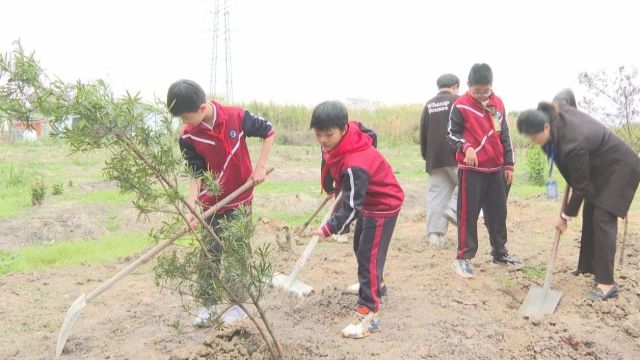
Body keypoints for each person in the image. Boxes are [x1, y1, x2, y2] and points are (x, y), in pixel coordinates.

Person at [166, 79, 275, 325]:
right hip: (210, 205)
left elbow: (268, 131)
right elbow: (196, 173)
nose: (183, 122)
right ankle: (208, 306)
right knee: (208, 255)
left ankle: (238, 307)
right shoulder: (188, 137)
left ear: (202, 108)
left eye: (185, 117)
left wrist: (259, 167)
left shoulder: (237, 117)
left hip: (240, 199)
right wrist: (191, 208)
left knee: (237, 253)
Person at [516, 89, 640, 301]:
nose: (532, 140)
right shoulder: (556, 108)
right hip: (597, 169)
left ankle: (607, 284)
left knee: (603, 217)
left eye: (534, 136)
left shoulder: (573, 144)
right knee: (590, 213)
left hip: (619, 168)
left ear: (546, 126)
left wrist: (565, 217)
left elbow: (580, 188)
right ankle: (587, 266)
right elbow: (566, 92)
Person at [310, 101, 404, 339]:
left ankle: (368, 314)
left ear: (343, 129)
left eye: (328, 135)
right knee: (359, 246)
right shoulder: (349, 133)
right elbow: (369, 133)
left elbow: (351, 207)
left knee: (368, 258)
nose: (322, 140)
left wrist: (329, 228)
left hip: (382, 204)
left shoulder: (355, 165)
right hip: (368, 199)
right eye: (318, 134)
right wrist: (335, 186)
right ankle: (377, 285)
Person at [447, 63, 521, 279]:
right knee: (468, 214)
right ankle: (463, 258)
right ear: (468, 85)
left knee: (498, 213)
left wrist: (509, 165)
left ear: (491, 86)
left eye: (485, 90)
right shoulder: (460, 106)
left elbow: (504, 135)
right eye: (476, 91)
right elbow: (451, 135)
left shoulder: (498, 104)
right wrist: (466, 146)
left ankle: (500, 253)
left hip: (496, 169)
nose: (481, 95)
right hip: (472, 170)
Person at [420, 73, 460, 246]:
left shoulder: (429, 105)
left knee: (436, 196)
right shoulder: (458, 101)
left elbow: (423, 134)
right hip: (457, 155)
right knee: (470, 185)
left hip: (434, 158)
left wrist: (426, 156)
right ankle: (455, 209)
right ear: (455, 86)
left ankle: (435, 237)